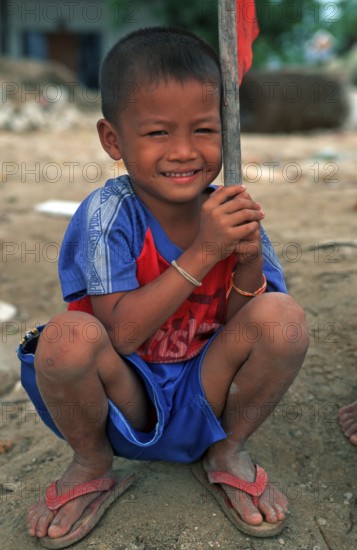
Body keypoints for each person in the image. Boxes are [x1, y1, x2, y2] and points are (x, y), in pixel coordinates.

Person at [18, 27, 309, 547]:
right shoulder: (109, 214)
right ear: (114, 140)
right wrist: (204, 252)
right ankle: (90, 464)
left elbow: (250, 325)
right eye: (157, 133)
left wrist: (244, 265)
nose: (183, 152)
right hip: (124, 394)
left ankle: (228, 450)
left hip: (207, 387)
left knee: (281, 317)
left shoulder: (229, 211)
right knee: (65, 339)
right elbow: (122, 334)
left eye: (204, 129)